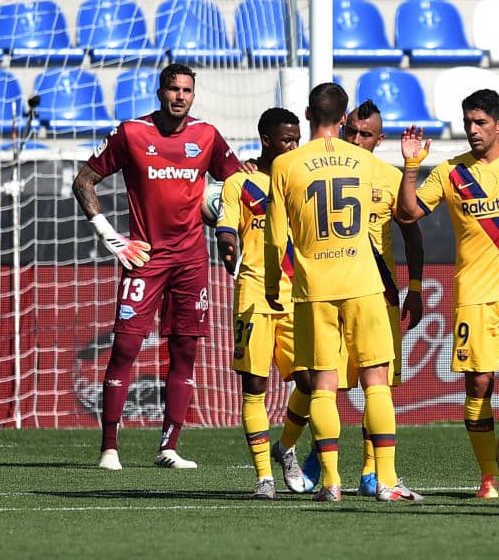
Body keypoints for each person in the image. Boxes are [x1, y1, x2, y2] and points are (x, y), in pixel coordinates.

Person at [73, 63, 243, 470]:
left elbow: (237, 183)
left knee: (185, 351)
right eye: (173, 89)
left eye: (187, 90)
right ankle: (109, 448)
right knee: (125, 348)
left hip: (190, 262)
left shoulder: (207, 137)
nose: (180, 96)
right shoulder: (132, 133)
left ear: (193, 95)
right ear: (160, 92)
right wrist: (109, 236)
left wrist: (226, 218)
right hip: (145, 258)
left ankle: (169, 447)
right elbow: (83, 181)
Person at [396, 89, 499, 499]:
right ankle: (487, 475)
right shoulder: (450, 172)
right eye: (468, 123)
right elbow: (407, 213)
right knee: (479, 384)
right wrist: (412, 165)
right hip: (474, 295)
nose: (473, 130)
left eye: (480, 123)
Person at [264, 82, 409, 503]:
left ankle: (331, 482)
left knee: (324, 385)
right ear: (345, 120)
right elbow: (403, 215)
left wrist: (274, 284)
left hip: (314, 288)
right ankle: (385, 481)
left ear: (308, 115)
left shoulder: (286, 165)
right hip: (364, 284)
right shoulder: (366, 164)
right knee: (376, 381)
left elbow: (276, 239)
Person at [215, 107, 312, 500]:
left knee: (309, 382)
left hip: (298, 294)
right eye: (288, 139)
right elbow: (226, 226)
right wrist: (227, 246)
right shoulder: (240, 183)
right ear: (267, 140)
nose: (294, 145)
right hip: (254, 291)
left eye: (297, 138)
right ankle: (263, 478)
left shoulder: (303, 181)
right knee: (254, 386)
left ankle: (285, 447)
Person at [340, 99, 425, 499]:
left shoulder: (389, 178)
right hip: (328, 293)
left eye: (366, 134)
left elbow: (411, 232)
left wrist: (417, 287)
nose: (357, 140)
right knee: (316, 382)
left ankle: (371, 472)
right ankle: (304, 453)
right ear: (340, 127)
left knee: (378, 387)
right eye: (352, 131)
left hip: (380, 295)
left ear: (380, 139)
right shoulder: (318, 168)